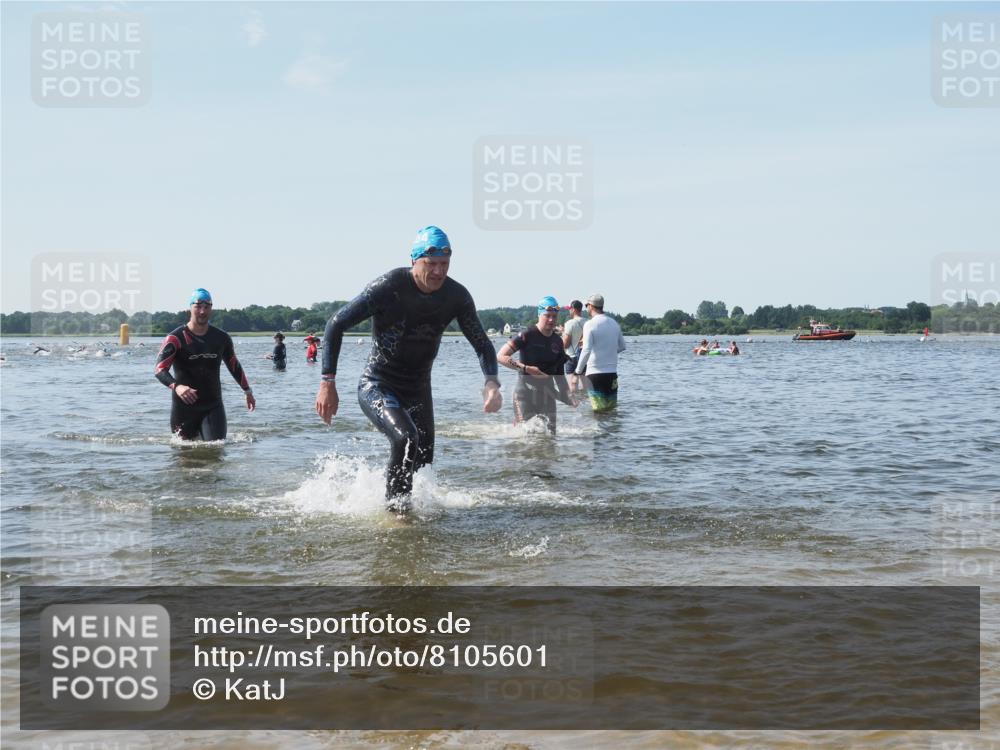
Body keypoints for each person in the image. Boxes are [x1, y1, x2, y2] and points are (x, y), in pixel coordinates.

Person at [314, 226, 502, 514]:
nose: (439, 272)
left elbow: (482, 343)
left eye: (445, 264)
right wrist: (328, 382)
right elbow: (335, 324)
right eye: (432, 264)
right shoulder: (389, 287)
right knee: (405, 439)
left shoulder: (456, 296)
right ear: (415, 260)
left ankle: (415, 515)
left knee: (424, 460)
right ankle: (397, 516)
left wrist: (491, 382)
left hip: (418, 389)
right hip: (377, 384)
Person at [154, 288, 256, 440]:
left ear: (211, 308)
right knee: (184, 456)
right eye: (198, 306)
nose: (202, 311)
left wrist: (247, 391)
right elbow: (160, 370)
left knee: (216, 450)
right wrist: (177, 386)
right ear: (190, 307)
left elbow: (234, 365)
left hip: (212, 405)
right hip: (183, 408)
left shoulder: (221, 338)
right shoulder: (175, 338)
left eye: (206, 306)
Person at [498, 296, 577, 434]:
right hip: (524, 393)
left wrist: (568, 396)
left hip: (547, 394)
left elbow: (559, 375)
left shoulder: (558, 342)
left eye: (554, 316)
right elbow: (501, 356)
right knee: (527, 434)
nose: (551, 320)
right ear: (539, 315)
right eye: (547, 316)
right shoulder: (527, 334)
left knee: (551, 435)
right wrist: (526, 368)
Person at [575, 294, 626, 412]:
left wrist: (578, 371)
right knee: (611, 410)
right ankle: (611, 430)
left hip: (595, 375)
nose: (586, 308)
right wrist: (609, 352)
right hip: (612, 374)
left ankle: (600, 430)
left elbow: (586, 350)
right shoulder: (614, 323)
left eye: (586, 305)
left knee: (598, 411)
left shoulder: (590, 324)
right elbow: (622, 346)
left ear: (591, 306)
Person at [561, 299, 587, 395]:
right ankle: (584, 406)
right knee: (584, 386)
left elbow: (566, 344)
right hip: (584, 357)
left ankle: (574, 407)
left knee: (572, 386)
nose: (569, 311)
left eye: (570, 309)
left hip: (571, 357)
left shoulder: (569, 323)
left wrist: (563, 333)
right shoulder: (588, 322)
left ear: (574, 309)